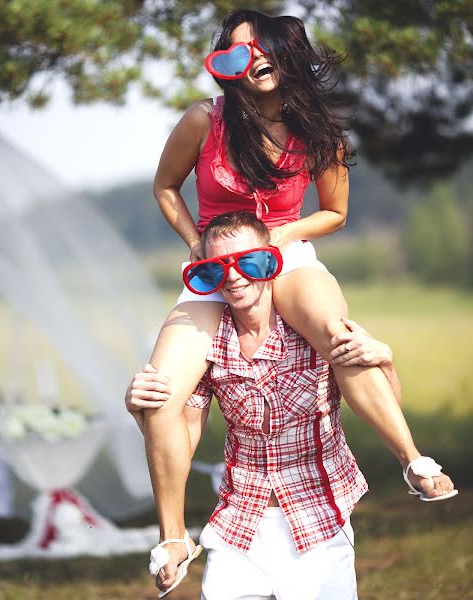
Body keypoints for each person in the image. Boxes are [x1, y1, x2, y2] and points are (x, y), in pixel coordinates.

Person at [138, 7, 442, 595]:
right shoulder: (205, 120)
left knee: (339, 336)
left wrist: (282, 236)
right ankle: (174, 537)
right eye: (238, 51)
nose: (254, 61)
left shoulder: (319, 130)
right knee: (161, 392)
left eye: (264, 49)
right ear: (225, 63)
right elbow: (165, 186)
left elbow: (335, 211)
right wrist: (197, 245)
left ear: (287, 53)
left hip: (285, 250)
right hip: (217, 264)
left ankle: (412, 458)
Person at [128, 211, 458, 599]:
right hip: (239, 526)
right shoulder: (208, 346)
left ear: (270, 262)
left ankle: (413, 463)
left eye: (248, 262)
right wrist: (143, 412)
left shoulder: (315, 330)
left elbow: (384, 404)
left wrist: (385, 361)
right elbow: (183, 436)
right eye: (218, 269)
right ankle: (174, 539)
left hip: (318, 522)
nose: (234, 277)